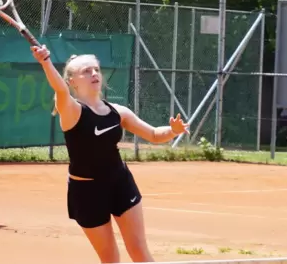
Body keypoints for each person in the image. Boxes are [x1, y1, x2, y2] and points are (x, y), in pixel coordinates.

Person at [31, 44, 189, 263]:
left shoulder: (118, 112)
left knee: (140, 252)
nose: (94, 73)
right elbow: (60, 90)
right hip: (87, 192)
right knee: (110, 258)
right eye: (86, 71)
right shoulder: (71, 111)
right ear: (72, 81)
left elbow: (153, 134)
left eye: (96, 69)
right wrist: (45, 61)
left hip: (120, 183)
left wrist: (172, 131)